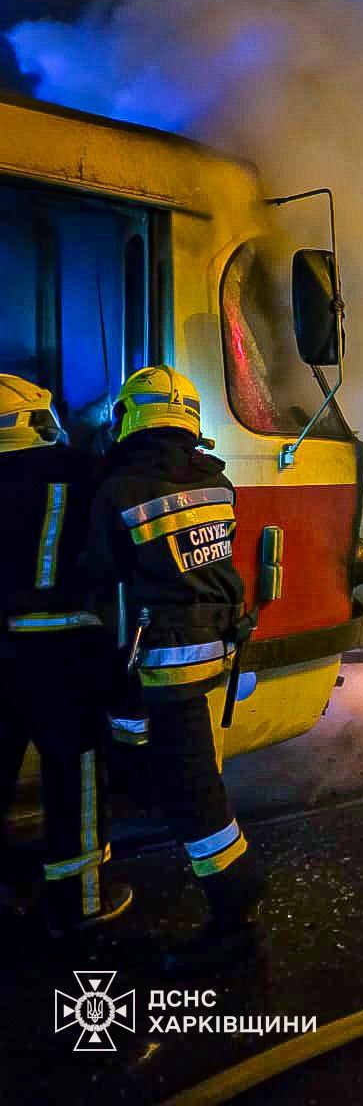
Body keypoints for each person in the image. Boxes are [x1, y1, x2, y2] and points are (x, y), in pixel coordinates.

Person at [86, 364, 263, 972]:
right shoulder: (217, 481)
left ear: (131, 419)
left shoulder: (119, 490)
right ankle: (146, 794)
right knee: (177, 764)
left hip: (161, 658)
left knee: (195, 793)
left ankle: (235, 910)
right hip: (213, 648)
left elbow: (96, 573)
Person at [0, 374, 131, 934]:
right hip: (62, 648)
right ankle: (80, 903)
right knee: (74, 773)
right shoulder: (76, 471)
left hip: (3, 648)